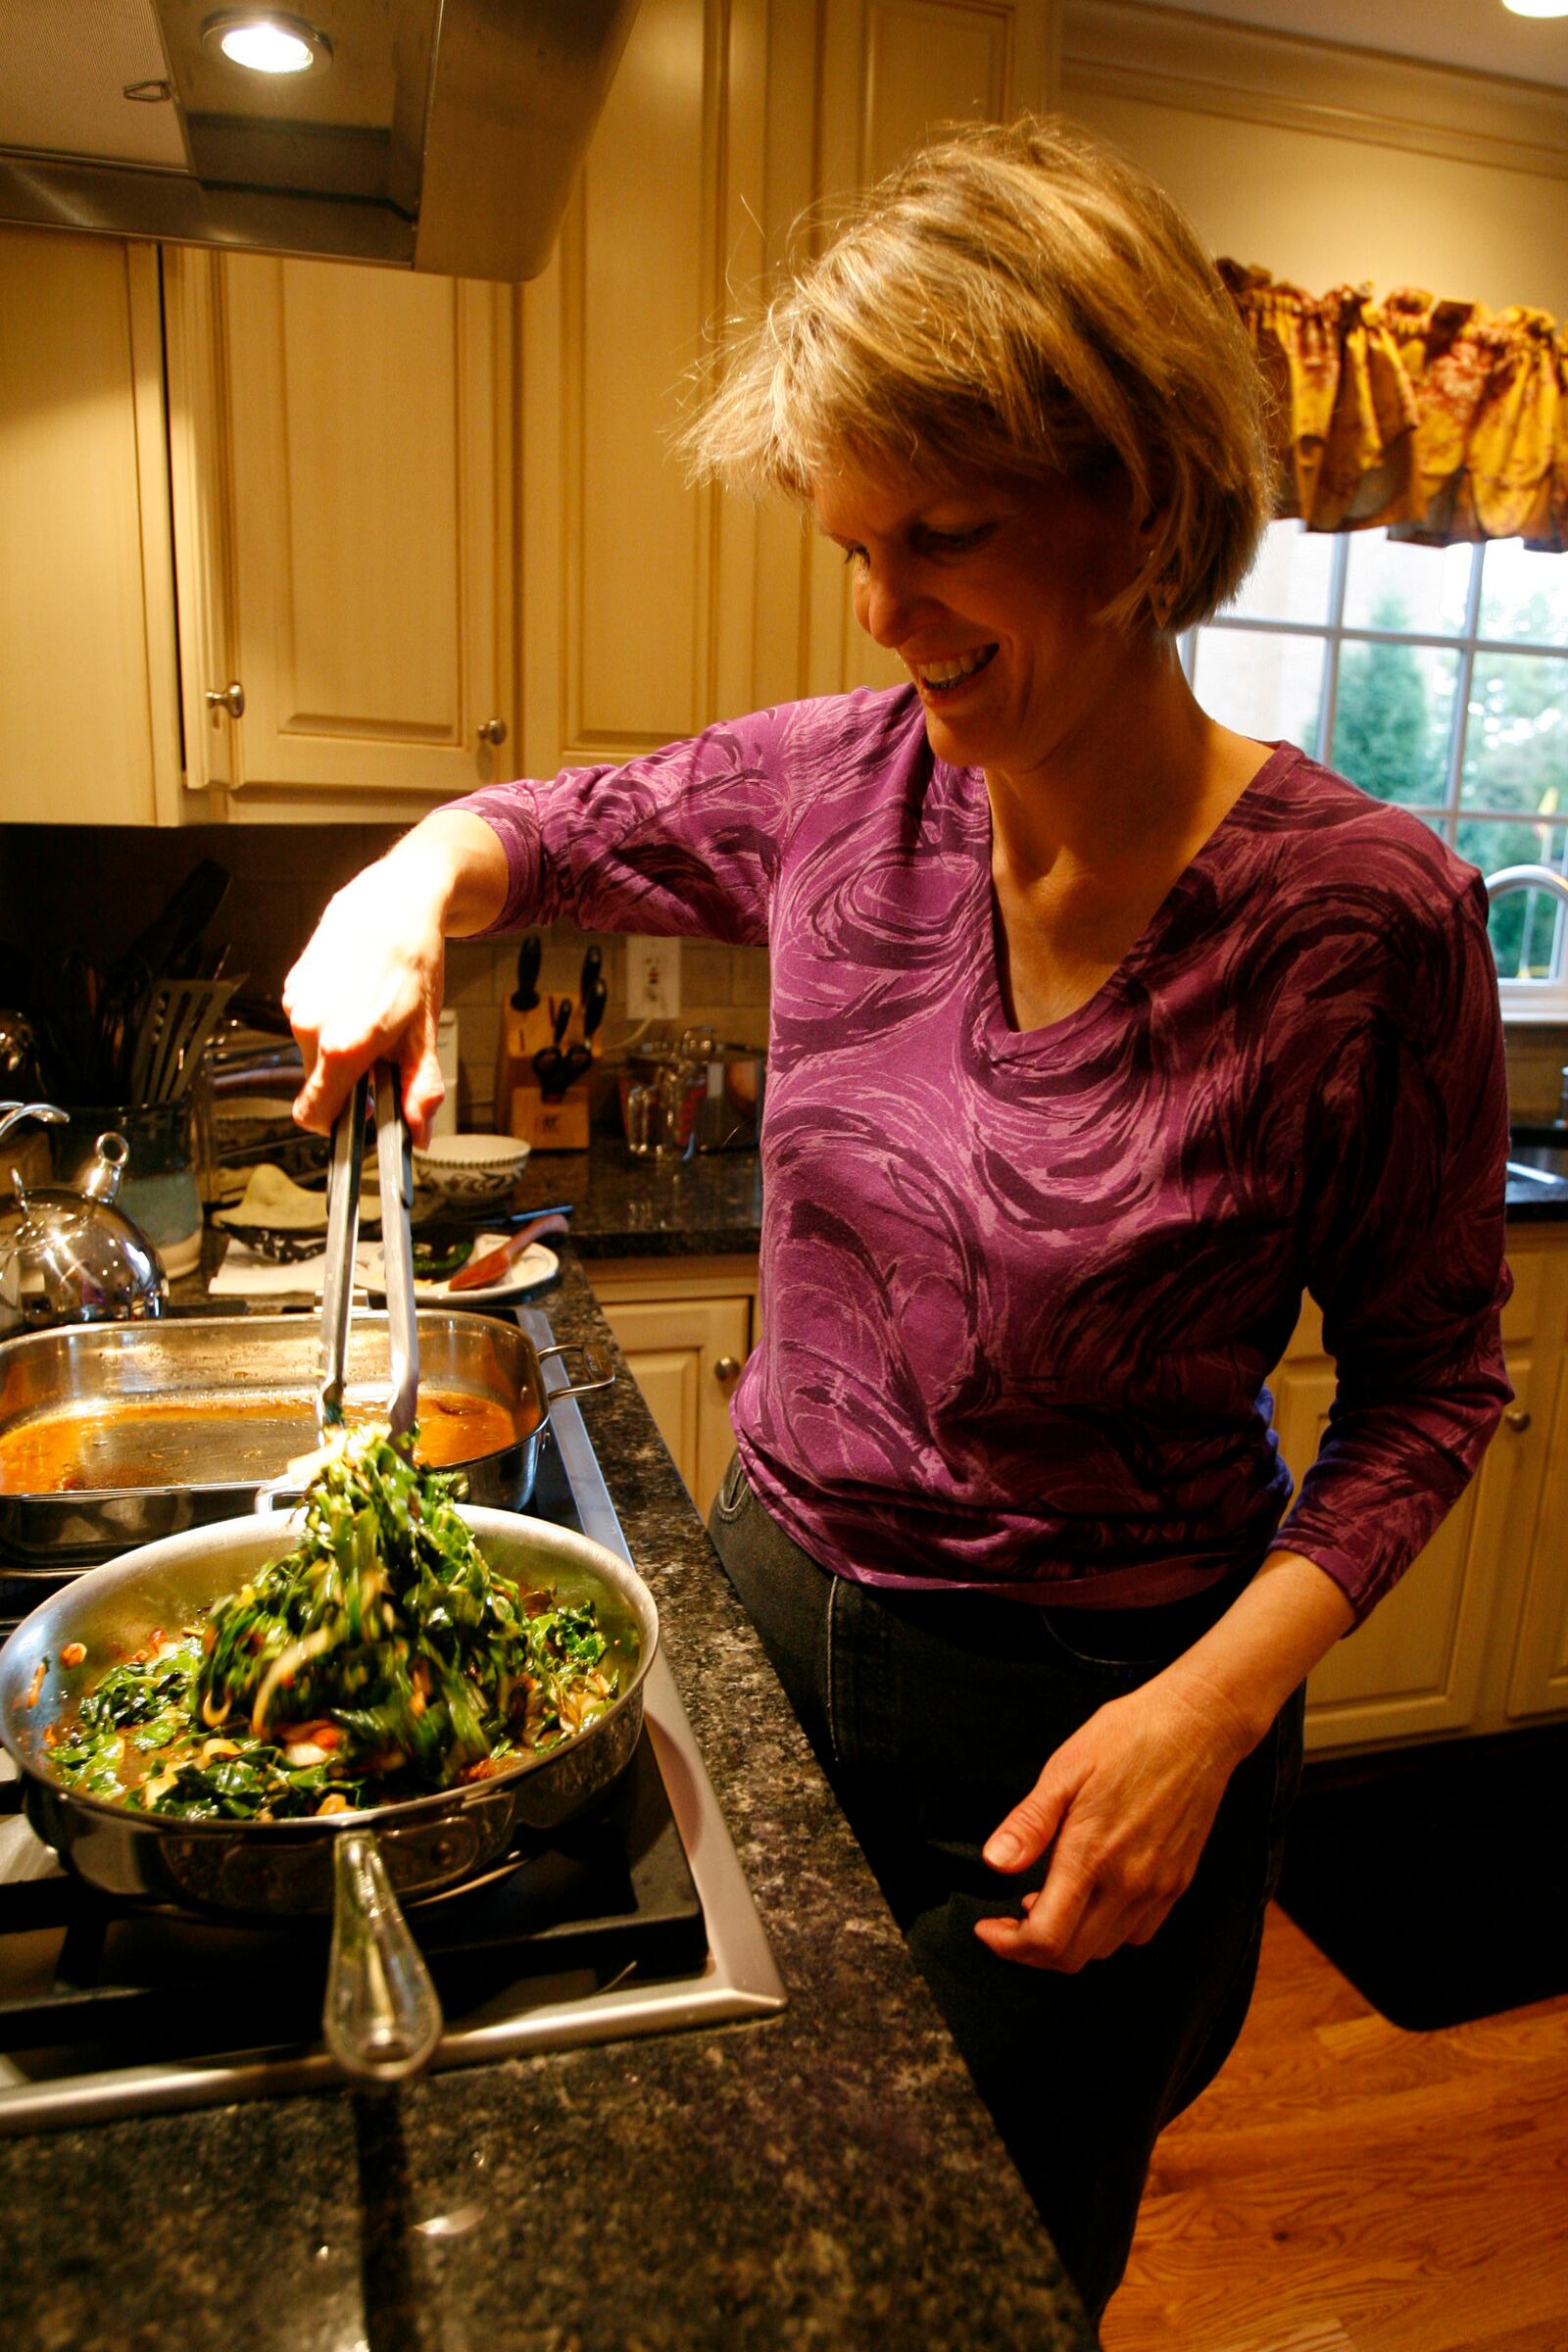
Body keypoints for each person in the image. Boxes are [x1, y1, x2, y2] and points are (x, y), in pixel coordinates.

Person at [282, 118, 1512, 2325]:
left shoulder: (1361, 917)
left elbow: (1430, 1392)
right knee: (738, 2224)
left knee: (967, 2280)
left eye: (940, 536)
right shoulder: (834, 792)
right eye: (849, 543)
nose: (880, 611)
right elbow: (521, 829)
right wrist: (399, 897)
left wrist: (1205, 1716)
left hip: (1100, 1722)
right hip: (767, 1641)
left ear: (1137, 509)